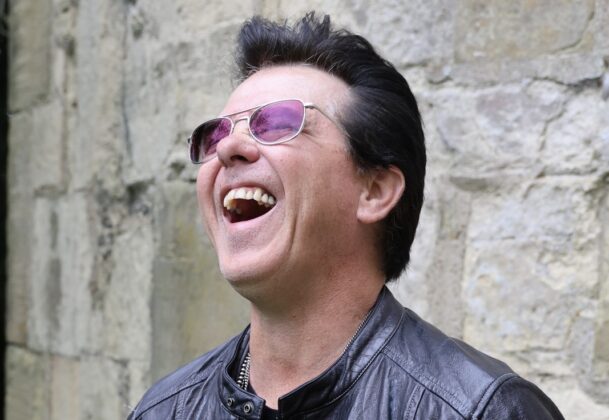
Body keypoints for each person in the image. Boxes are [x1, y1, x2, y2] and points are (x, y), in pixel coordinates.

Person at [128, 13, 564, 419]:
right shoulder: (164, 411)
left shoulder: (478, 410)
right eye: (216, 133)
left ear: (374, 192)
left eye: (277, 123)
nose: (227, 147)